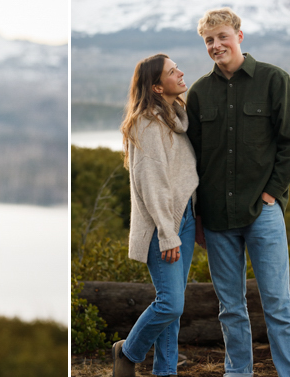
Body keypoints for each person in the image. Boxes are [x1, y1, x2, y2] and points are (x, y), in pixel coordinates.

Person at [186, 7, 290, 377]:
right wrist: (199, 216)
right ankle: (238, 372)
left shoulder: (274, 80)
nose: (216, 45)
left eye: (222, 36)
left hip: (263, 213)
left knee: (277, 302)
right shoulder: (199, 93)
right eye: (209, 40)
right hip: (217, 219)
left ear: (239, 35)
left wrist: (271, 193)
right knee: (230, 307)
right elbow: (191, 160)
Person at [111, 53, 198, 377]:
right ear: (158, 87)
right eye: (172, 72)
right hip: (164, 225)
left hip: (185, 219)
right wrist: (167, 232)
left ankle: (166, 372)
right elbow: (153, 185)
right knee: (170, 303)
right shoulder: (147, 124)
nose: (180, 73)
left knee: (173, 308)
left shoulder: (175, 117)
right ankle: (128, 351)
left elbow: (181, 176)